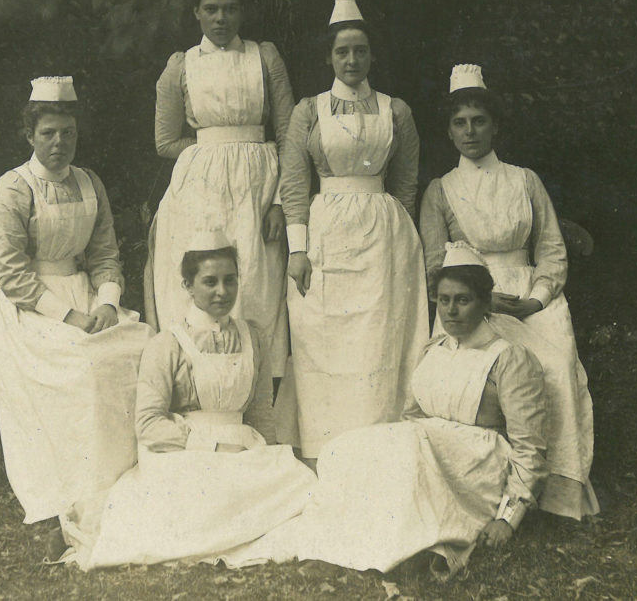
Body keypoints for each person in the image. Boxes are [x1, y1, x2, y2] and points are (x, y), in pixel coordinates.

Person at [222, 242, 547, 575]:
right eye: (445, 300)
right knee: (345, 447)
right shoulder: (434, 350)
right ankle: (335, 546)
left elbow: (530, 447)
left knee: (407, 446)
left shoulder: (508, 359)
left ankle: (373, 557)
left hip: (480, 468)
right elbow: (412, 418)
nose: (451, 311)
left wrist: (509, 517)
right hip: (433, 455)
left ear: (483, 303)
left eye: (463, 300)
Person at [59, 230, 316, 568]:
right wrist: (210, 447)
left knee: (300, 483)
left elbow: (260, 414)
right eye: (210, 282)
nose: (222, 292)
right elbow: (149, 425)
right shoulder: (167, 344)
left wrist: (267, 460)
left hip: (243, 449)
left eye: (230, 280)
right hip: (185, 454)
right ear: (188, 286)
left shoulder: (253, 336)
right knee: (200, 499)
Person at [419, 64, 598, 519]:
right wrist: (482, 300)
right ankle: (495, 486)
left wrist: (538, 298)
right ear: (449, 131)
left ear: (495, 125)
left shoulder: (525, 180)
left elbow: (553, 250)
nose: (470, 131)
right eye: (460, 123)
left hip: (532, 297)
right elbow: (436, 267)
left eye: (479, 121)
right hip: (477, 302)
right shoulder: (441, 191)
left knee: (556, 366)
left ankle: (558, 496)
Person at [0, 76, 152, 525]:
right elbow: (13, 276)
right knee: (84, 367)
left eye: (68, 133)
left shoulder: (89, 182)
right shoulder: (13, 190)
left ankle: (122, 480)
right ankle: (76, 488)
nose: (59, 143)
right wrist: (70, 316)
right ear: (29, 135)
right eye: (48, 134)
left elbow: (104, 255)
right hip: (32, 308)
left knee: (138, 348)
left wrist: (107, 304)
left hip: (85, 297)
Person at [275, 0, 429, 461]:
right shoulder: (309, 111)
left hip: (385, 234)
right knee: (325, 339)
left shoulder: (395, 111)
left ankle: (379, 450)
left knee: (380, 339)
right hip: (326, 232)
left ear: (372, 55)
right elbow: (295, 183)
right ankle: (326, 450)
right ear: (329, 57)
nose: (352, 60)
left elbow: (406, 182)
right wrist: (297, 250)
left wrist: (399, 236)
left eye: (360, 51)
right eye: (343, 52)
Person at [149, 0, 295, 381]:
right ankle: (198, 387)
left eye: (229, 9)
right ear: (196, 13)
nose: (220, 19)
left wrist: (280, 203)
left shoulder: (264, 58)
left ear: (242, 11)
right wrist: (208, 154)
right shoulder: (181, 66)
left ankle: (257, 397)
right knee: (202, 281)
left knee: (256, 286)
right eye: (210, 9)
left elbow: (288, 135)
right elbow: (164, 141)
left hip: (258, 189)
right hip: (199, 192)